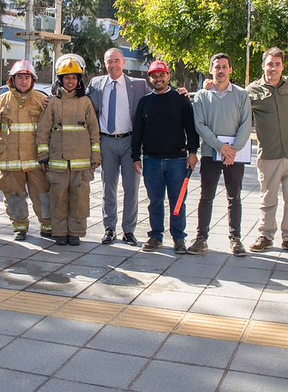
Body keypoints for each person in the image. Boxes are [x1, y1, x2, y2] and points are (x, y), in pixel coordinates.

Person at [246, 47, 288, 254]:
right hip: (269, 155)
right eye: (269, 64)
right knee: (268, 199)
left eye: (277, 64)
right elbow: (234, 106)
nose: (273, 68)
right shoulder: (252, 90)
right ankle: (266, 235)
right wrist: (211, 86)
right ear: (263, 66)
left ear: (283, 66)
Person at [188, 53, 252, 256]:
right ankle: (201, 238)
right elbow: (199, 125)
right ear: (211, 70)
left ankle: (236, 239)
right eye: (217, 67)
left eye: (225, 67)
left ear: (231, 70)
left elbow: (246, 123)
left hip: (235, 155)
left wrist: (233, 149)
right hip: (210, 154)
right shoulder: (201, 96)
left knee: (235, 197)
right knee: (206, 196)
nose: (221, 70)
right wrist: (219, 147)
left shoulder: (241, 95)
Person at [132, 60, 199, 254]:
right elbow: (138, 132)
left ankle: (179, 238)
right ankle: (155, 236)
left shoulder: (181, 100)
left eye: (162, 75)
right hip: (151, 160)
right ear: (150, 78)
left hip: (177, 160)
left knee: (177, 201)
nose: (158, 78)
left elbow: (191, 129)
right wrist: (136, 156)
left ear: (168, 76)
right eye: (155, 75)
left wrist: (193, 152)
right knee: (155, 200)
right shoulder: (145, 102)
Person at [86, 48, 151, 246]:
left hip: (130, 142)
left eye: (116, 61)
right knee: (108, 188)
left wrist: (180, 93)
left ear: (123, 63)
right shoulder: (96, 84)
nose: (113, 65)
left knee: (131, 188)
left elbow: (159, 97)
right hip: (106, 141)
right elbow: (80, 101)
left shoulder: (138, 85)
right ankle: (110, 227)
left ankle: (129, 230)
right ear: (104, 64)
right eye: (109, 62)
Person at [36, 54, 101, 246]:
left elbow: (94, 131)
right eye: (66, 77)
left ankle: (76, 232)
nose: (70, 81)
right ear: (60, 80)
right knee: (58, 198)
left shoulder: (86, 102)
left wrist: (96, 155)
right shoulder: (53, 102)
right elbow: (43, 130)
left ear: (79, 80)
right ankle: (59, 233)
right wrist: (43, 156)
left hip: (81, 163)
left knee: (80, 199)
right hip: (58, 163)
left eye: (74, 77)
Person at [0, 60, 52, 241]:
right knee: (14, 195)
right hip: (10, 160)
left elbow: (49, 127)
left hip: (35, 160)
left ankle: (47, 226)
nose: (23, 81)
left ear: (32, 80)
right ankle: (20, 227)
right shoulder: (0, 102)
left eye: (27, 77)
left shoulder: (42, 101)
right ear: (12, 80)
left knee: (43, 195)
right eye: (20, 77)